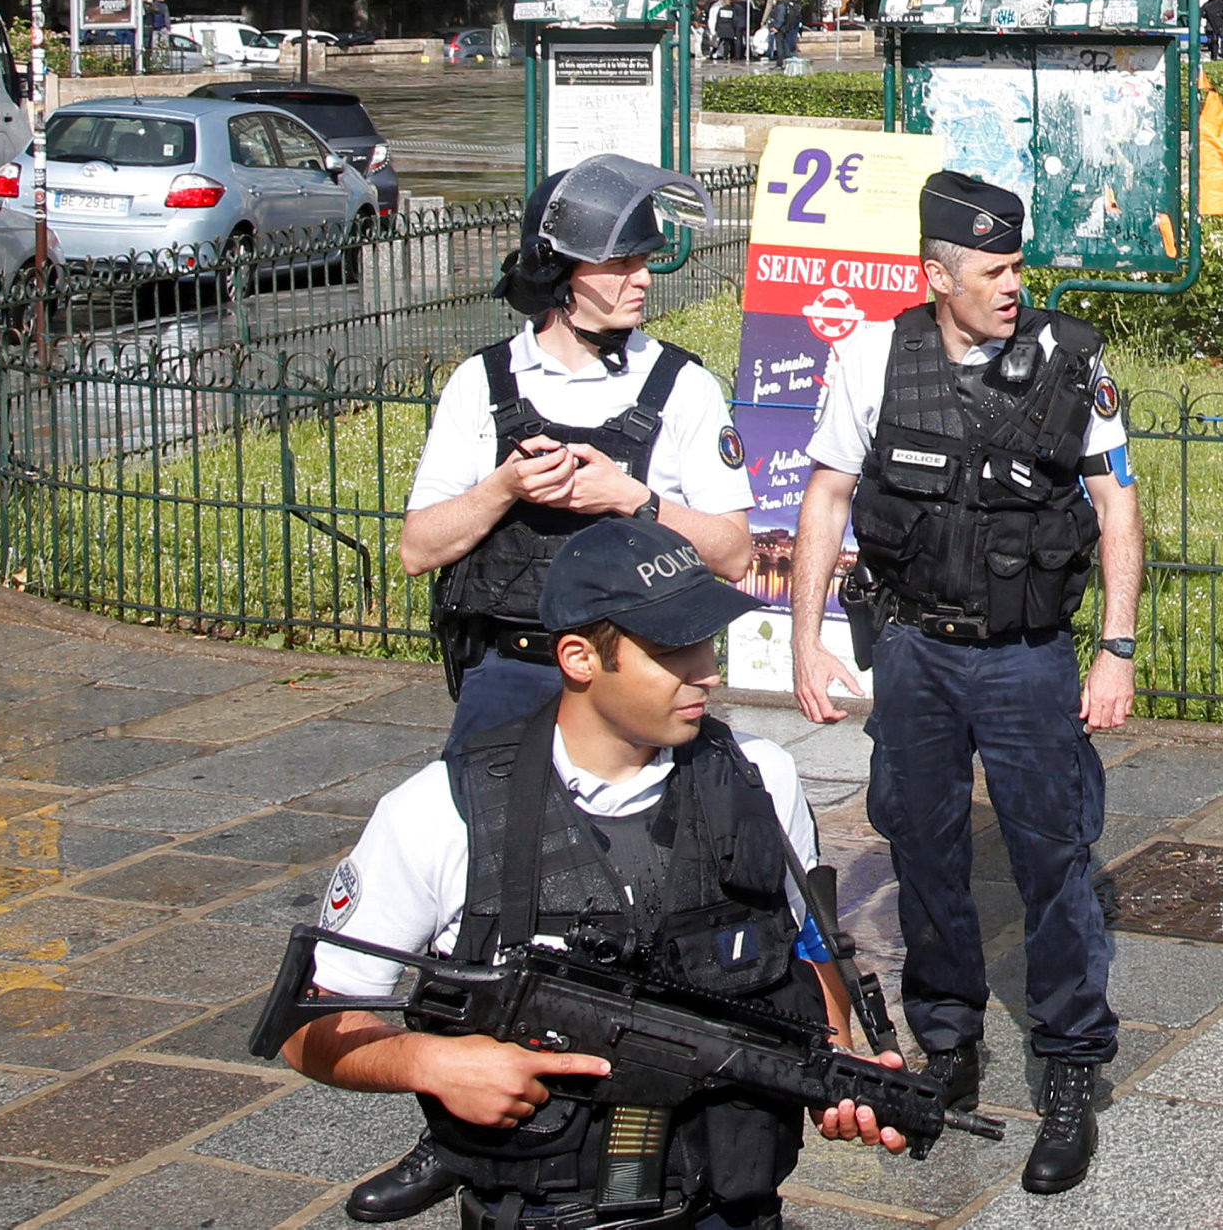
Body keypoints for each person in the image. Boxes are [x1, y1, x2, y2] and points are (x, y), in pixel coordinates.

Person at [283, 517, 913, 1230]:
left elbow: (804, 947)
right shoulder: (442, 812)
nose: (706, 670)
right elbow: (307, 1023)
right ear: (581, 658)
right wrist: (428, 1063)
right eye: (674, 650)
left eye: (704, 642)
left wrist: (837, 1067)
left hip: (728, 1204)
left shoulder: (759, 780)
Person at [348, 154, 757, 1223]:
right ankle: (454, 1127)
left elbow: (733, 552)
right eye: (620, 260)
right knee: (480, 914)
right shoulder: (478, 386)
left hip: (624, 689)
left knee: (644, 907)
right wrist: (499, 488)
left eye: (644, 260)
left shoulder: (681, 386)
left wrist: (636, 496)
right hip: (507, 679)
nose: (642, 279)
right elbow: (414, 549)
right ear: (560, 270)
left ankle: (638, 1114)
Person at [786, 169, 1142, 1197]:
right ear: (933, 272)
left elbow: (1116, 508)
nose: (1009, 285)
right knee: (923, 852)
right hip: (915, 654)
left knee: (1054, 861)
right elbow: (826, 497)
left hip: (1028, 660)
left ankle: (1072, 1064)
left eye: (1017, 264)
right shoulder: (870, 357)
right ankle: (947, 1048)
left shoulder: (1071, 361)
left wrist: (1112, 650)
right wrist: (806, 643)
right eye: (989, 269)